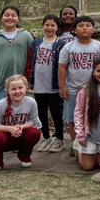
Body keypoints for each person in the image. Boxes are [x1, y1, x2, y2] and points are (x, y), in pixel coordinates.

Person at [0, 6, 34, 155]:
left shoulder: (25, 36)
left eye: (13, 15)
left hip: (20, 85)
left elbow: (32, 57)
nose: (10, 18)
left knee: (19, 113)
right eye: (6, 15)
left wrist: (28, 78)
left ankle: (16, 141)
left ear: (18, 18)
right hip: (0, 84)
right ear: (2, 18)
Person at [57, 16, 100, 148]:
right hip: (73, 88)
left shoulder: (99, 47)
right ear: (74, 30)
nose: (84, 28)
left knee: (94, 115)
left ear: (93, 29)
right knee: (73, 118)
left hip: (95, 88)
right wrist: (62, 87)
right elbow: (62, 67)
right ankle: (76, 145)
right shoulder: (68, 47)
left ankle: (93, 143)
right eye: (81, 26)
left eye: (88, 25)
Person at [0, 74, 42, 171]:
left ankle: (24, 155)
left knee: (35, 133)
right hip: (6, 136)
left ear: (26, 89)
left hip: (22, 134)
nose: (17, 91)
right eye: (13, 89)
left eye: (20, 88)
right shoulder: (1, 105)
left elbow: (32, 121)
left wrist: (22, 127)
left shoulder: (31, 102)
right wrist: (10, 129)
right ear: (8, 91)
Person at [27, 14, 65, 153]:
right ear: (43, 26)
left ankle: (59, 138)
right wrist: (30, 79)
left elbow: (64, 66)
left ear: (57, 27)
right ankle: (46, 137)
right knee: (41, 113)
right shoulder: (36, 43)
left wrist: (62, 84)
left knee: (56, 113)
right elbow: (31, 61)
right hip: (39, 85)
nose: (49, 28)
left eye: (53, 25)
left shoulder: (61, 44)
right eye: (47, 25)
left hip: (53, 86)